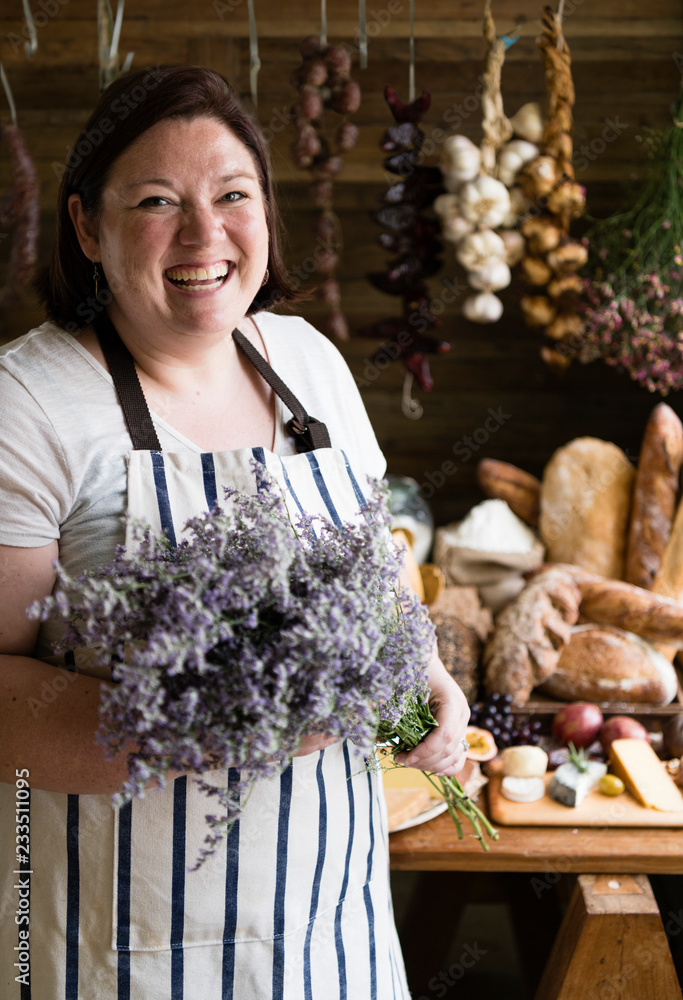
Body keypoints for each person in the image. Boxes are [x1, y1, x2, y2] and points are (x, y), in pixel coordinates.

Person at [0, 65, 470, 999]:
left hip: (330, 931)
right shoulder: (29, 403)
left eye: (232, 195)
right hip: (116, 942)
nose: (204, 234)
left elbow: (376, 579)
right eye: (157, 201)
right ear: (87, 225)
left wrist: (428, 686)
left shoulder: (305, 359)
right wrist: (211, 727)